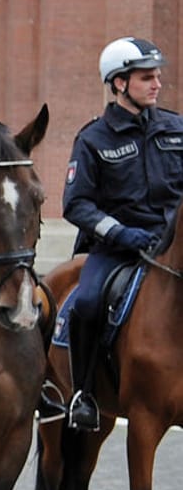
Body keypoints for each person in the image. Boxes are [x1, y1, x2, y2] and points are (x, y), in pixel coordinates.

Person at [61, 37, 183, 431]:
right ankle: (83, 394)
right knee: (88, 303)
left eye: (157, 76)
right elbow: (76, 205)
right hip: (116, 248)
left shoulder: (176, 128)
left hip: (172, 244)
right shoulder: (93, 139)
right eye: (146, 77)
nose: (157, 83)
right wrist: (120, 233)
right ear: (118, 84)